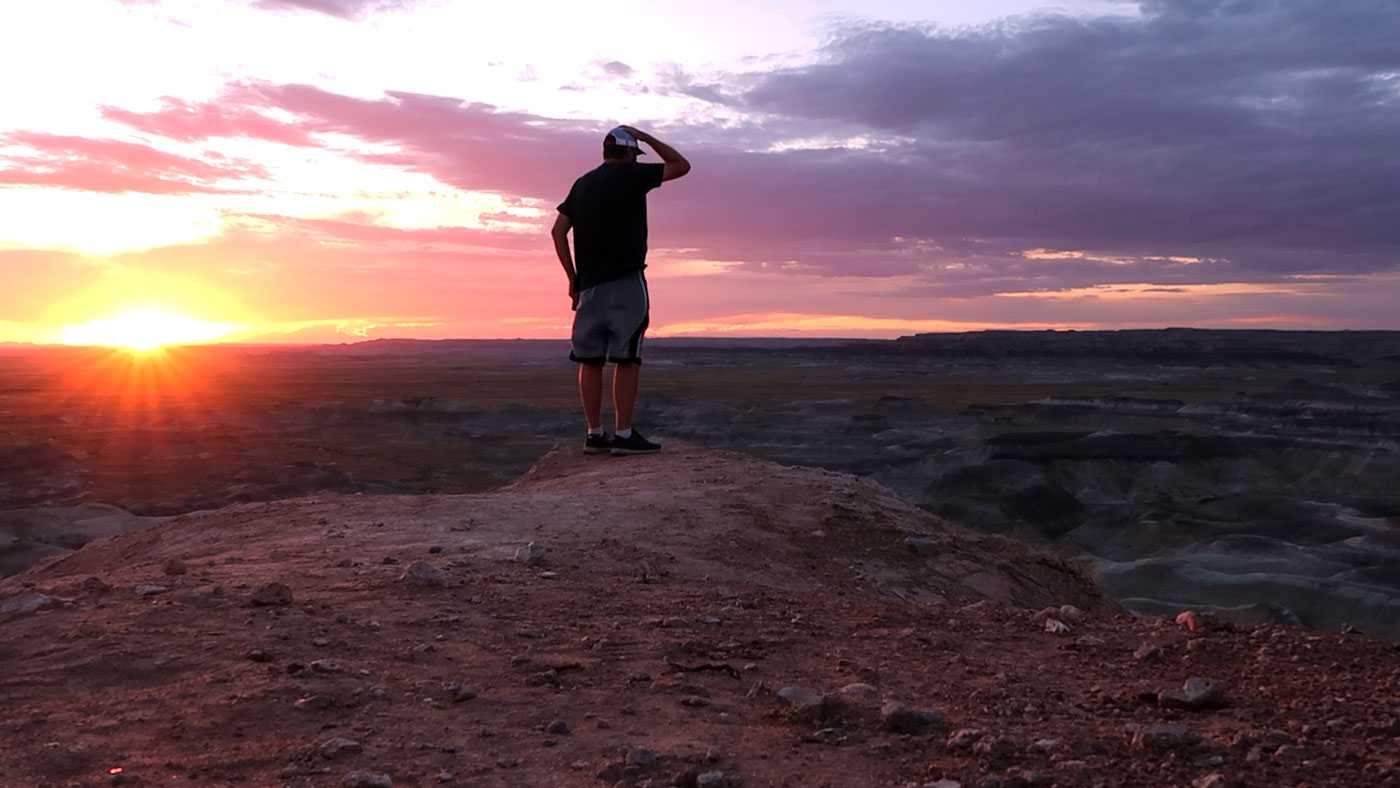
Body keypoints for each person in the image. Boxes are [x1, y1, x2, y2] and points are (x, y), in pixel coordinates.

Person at [550, 125, 691, 455]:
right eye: (635, 151)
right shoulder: (633, 175)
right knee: (627, 358)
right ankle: (625, 434)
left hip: (588, 287)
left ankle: (594, 433)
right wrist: (647, 137)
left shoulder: (582, 185)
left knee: (590, 359)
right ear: (629, 154)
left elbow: (558, 232)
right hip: (626, 283)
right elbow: (682, 165)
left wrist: (572, 278)